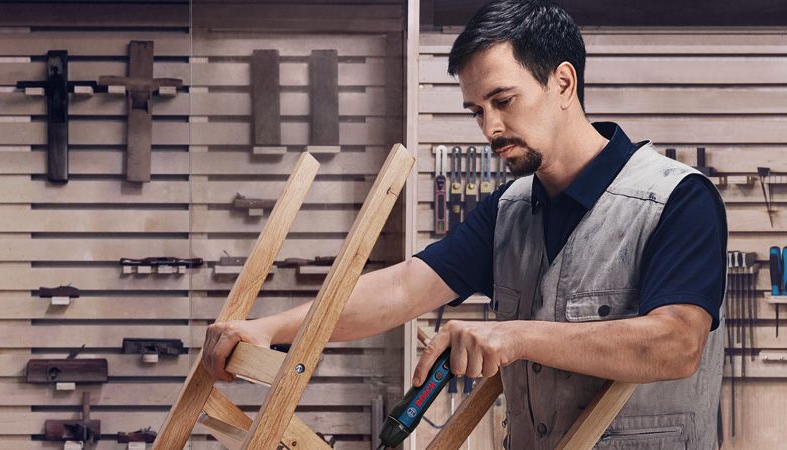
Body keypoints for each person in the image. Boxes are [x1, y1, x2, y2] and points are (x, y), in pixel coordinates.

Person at [201, 1, 727, 448]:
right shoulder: (510, 210)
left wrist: (514, 336)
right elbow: (402, 288)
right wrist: (269, 330)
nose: (490, 128)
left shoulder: (678, 198)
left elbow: (676, 345)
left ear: (563, 82)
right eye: (476, 111)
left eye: (503, 101)